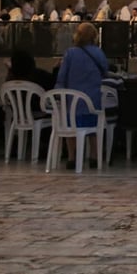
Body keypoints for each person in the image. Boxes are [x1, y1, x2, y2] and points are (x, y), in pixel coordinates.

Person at [55, 22, 110, 166]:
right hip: (92, 102)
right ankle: (94, 157)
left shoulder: (70, 54)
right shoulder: (98, 53)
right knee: (94, 130)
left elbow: (62, 77)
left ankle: (72, 158)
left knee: (71, 128)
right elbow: (105, 71)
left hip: (72, 105)